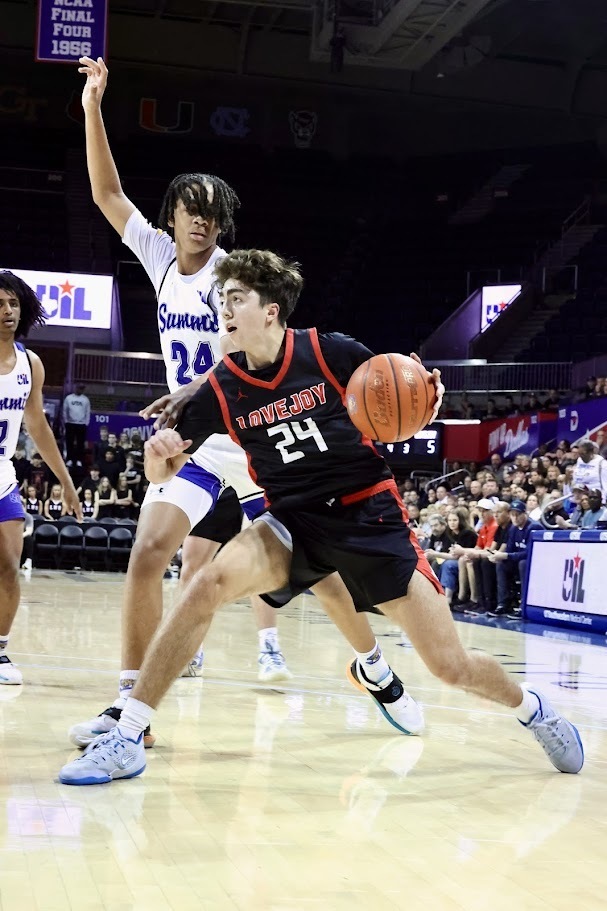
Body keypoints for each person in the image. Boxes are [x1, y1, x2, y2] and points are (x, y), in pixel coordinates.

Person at [58, 248, 584, 785]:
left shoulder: (329, 352)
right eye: (222, 299)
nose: (224, 308)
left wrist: (430, 394)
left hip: (369, 517)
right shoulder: (221, 387)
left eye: (235, 298)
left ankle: (532, 708)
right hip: (294, 522)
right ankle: (129, 734)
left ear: (270, 310)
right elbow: (160, 471)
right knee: (204, 583)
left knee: (450, 666)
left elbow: (402, 387)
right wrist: (157, 455)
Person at [68, 54, 304, 750]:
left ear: (221, 221)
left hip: (251, 435)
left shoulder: (235, 275)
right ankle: (126, 709)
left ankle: (374, 665)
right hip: (202, 443)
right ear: (170, 216)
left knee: (309, 573)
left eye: (211, 213)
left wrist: (199, 387)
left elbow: (252, 356)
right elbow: (107, 194)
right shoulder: (161, 259)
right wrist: (91, 107)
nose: (200, 221)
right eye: (189, 210)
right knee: (149, 553)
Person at [0, 271, 81, 685]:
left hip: (2, 477)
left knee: (9, 569)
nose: (7, 311)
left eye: (13, 303)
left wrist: (65, 482)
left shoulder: (30, 364)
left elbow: (38, 427)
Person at [487, 499, 541, 619]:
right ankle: (503, 604)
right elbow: (510, 549)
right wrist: (498, 555)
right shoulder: (513, 529)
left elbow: (529, 553)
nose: (515, 518)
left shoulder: (533, 527)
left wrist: (506, 555)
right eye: (512, 515)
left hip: (536, 563)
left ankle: (523, 605)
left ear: (525, 514)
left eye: (518, 515)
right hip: (518, 561)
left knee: (523, 563)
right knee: (500, 563)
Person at [62, 382, 91, 468]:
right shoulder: (69, 398)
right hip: (70, 423)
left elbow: (88, 412)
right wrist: (66, 421)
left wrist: (86, 423)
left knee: (80, 443)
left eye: (82, 389)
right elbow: (65, 410)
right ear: (75, 388)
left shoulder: (85, 399)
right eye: (79, 388)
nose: (80, 390)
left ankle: (79, 460)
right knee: (69, 442)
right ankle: (69, 459)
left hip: (81, 424)